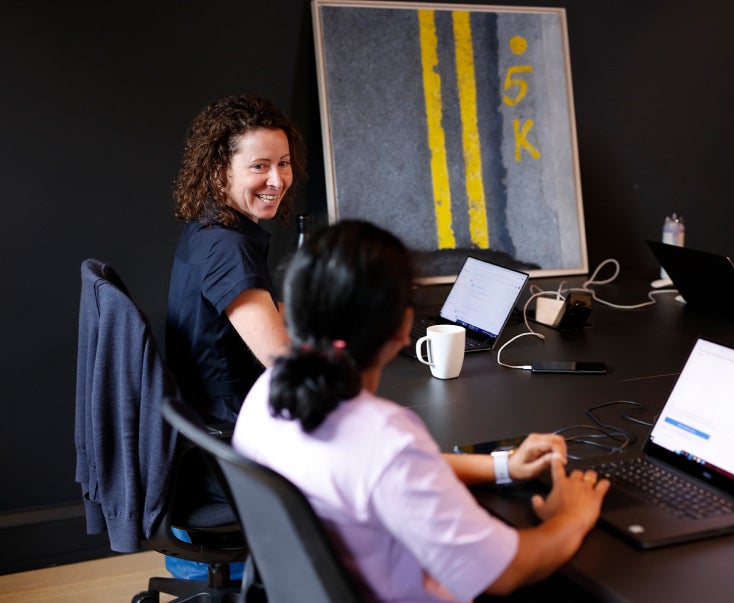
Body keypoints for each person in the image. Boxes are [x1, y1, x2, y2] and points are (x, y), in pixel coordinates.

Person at [232, 220, 610, 602]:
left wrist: (503, 466)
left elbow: (382, 476)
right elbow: (508, 572)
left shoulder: (267, 393)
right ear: (403, 326)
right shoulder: (386, 440)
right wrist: (572, 515)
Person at [166, 94, 306, 423]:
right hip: (234, 420)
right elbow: (282, 363)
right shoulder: (228, 248)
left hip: (211, 411)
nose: (277, 180)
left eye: (283, 163)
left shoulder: (209, 225)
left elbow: (255, 315)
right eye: (260, 166)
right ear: (219, 173)